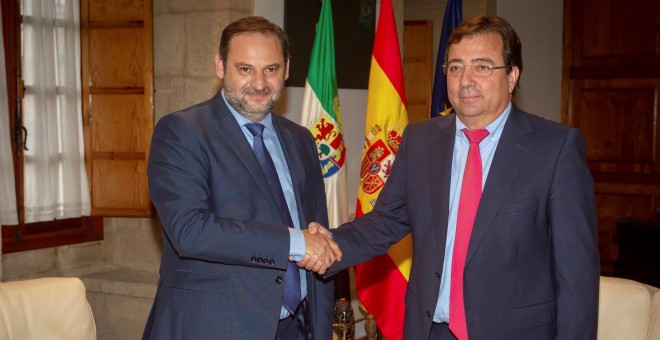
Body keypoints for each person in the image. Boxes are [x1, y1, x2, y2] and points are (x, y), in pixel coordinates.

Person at [305, 15, 599, 339]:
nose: (466, 80)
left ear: (512, 76)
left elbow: (577, 277)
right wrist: (326, 243)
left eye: (482, 66)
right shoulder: (420, 140)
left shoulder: (555, 149)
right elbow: (385, 221)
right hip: (430, 330)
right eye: (455, 67)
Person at [143, 16, 341, 340]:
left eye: (271, 69)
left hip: (297, 326)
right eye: (245, 69)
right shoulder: (182, 132)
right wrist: (295, 241)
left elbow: (318, 233)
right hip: (218, 327)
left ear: (287, 69)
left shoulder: (301, 139)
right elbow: (190, 231)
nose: (260, 83)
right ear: (221, 65)